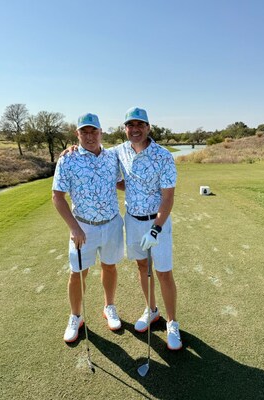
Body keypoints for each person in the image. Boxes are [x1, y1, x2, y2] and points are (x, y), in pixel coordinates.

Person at [52, 113, 124, 343]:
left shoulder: (112, 157)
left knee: (110, 266)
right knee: (77, 273)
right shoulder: (68, 159)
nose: (90, 136)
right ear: (77, 134)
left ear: (101, 133)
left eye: (94, 131)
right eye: (85, 131)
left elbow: (120, 182)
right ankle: (76, 317)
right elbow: (57, 197)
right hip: (83, 227)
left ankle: (109, 307)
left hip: (112, 223)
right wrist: (74, 228)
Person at [116, 107, 182, 350]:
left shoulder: (163, 155)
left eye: (140, 125)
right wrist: (72, 149)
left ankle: (172, 322)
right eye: (130, 125)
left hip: (157, 223)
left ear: (148, 128)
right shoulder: (119, 151)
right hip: (132, 220)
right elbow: (95, 154)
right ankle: (152, 310)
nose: (135, 130)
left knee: (163, 271)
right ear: (125, 128)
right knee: (142, 266)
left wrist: (155, 229)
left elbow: (168, 197)